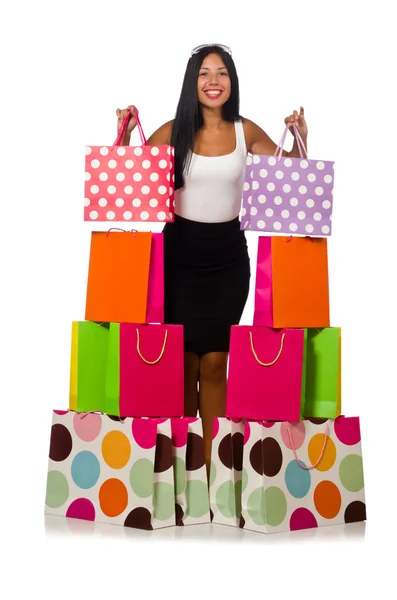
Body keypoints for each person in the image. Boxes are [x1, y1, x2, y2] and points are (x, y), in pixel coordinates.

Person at [116, 44, 308, 476]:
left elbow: (292, 169)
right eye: (205, 74)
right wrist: (126, 133)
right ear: (193, 82)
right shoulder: (174, 130)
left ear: (232, 82)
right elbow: (132, 170)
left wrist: (301, 136)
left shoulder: (246, 131)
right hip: (178, 257)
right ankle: (183, 476)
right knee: (182, 362)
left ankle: (213, 474)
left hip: (227, 260)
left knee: (218, 361)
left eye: (222, 73)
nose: (214, 81)